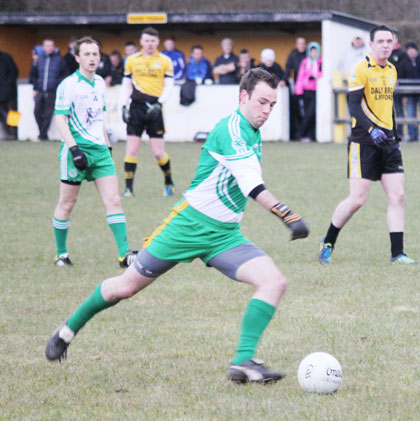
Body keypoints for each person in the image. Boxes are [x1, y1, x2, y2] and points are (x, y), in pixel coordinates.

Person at [45, 68, 310, 384]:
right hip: (187, 226)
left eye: (272, 105)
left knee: (274, 282)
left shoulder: (252, 131)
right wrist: (287, 215)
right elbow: (253, 186)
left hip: (224, 235)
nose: (267, 111)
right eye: (262, 102)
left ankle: (243, 362)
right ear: (244, 96)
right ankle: (67, 330)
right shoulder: (231, 131)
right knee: (124, 288)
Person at [318, 25, 418, 265]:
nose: (385, 45)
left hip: (389, 143)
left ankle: (398, 254)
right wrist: (372, 130)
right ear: (371, 44)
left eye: (389, 41)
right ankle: (328, 242)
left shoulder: (392, 70)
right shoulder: (360, 69)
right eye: (380, 41)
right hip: (363, 143)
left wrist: (394, 136)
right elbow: (354, 105)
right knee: (357, 200)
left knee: (398, 196)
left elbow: (388, 107)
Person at [51, 36, 136, 268]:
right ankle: (61, 254)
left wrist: (107, 144)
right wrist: (74, 149)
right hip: (75, 151)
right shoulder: (68, 85)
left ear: (100, 57)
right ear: (77, 57)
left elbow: (101, 117)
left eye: (95, 54)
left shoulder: (99, 82)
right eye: (86, 54)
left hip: (100, 151)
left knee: (114, 201)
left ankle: (124, 254)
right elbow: (60, 119)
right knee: (67, 203)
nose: (91, 58)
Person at [121, 26, 175, 198]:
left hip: (155, 107)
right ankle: (128, 189)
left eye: (153, 41)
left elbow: (169, 85)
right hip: (136, 107)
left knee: (158, 152)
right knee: (132, 150)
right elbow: (126, 84)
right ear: (141, 42)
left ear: (157, 42)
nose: (150, 44)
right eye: (147, 40)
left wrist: (160, 103)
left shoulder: (165, 60)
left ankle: (169, 182)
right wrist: (124, 105)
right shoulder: (131, 60)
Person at [30, 38, 68, 141]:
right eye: (48, 46)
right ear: (43, 47)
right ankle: (43, 134)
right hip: (40, 90)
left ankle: (42, 136)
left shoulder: (59, 60)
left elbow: (65, 75)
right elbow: (33, 75)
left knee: (48, 113)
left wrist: (57, 84)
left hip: (52, 91)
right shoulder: (39, 60)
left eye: (52, 45)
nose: (50, 48)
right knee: (36, 112)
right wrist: (36, 87)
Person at [295, 42, 322, 142]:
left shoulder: (321, 62)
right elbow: (300, 76)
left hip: (316, 91)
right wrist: (299, 90)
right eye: (312, 51)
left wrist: (315, 76)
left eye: (315, 51)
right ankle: (306, 135)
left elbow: (323, 74)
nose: (314, 53)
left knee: (312, 113)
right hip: (306, 91)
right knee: (307, 114)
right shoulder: (305, 62)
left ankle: (302, 133)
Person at [285, 37, 307, 140]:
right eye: (299, 43)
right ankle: (298, 134)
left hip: (309, 88)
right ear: (296, 45)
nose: (301, 46)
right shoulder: (293, 55)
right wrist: (284, 81)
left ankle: (305, 134)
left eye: (303, 43)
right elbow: (288, 70)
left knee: (307, 112)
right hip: (298, 88)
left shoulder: (309, 54)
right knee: (297, 111)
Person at [397, 42, 419, 142]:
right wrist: (404, 94)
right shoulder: (403, 63)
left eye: (413, 50)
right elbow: (401, 79)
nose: (411, 52)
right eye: (409, 50)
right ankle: (412, 136)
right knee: (410, 114)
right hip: (409, 93)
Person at [389, 32, 407, 137]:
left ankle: (399, 133)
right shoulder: (385, 54)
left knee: (399, 110)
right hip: (387, 88)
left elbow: (403, 70)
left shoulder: (401, 54)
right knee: (387, 111)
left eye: (393, 38)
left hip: (399, 87)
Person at [0, 49, 18, 139]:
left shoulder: (7, 58)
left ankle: (14, 133)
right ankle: (7, 133)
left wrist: (8, 84)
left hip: (10, 92)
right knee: (3, 114)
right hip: (3, 92)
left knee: (12, 112)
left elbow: (14, 72)